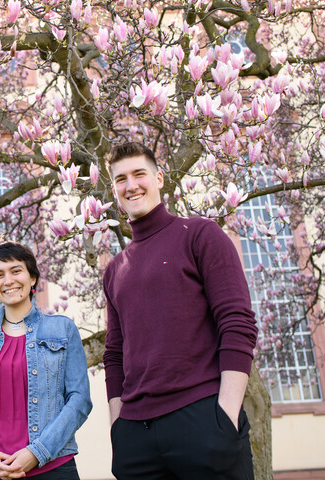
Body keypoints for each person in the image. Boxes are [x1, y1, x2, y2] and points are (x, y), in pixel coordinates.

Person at [102, 142, 259, 480]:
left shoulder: (201, 235)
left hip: (202, 421)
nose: (131, 185)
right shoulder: (115, 269)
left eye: (139, 174)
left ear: (159, 177)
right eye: (121, 179)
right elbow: (114, 354)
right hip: (135, 435)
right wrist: (118, 429)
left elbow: (237, 323)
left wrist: (226, 415)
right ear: (114, 189)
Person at [0, 241, 92, 480]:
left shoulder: (62, 329)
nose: (8, 280)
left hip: (52, 468)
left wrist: (36, 453)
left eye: (16, 271)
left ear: (32, 278)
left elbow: (79, 400)